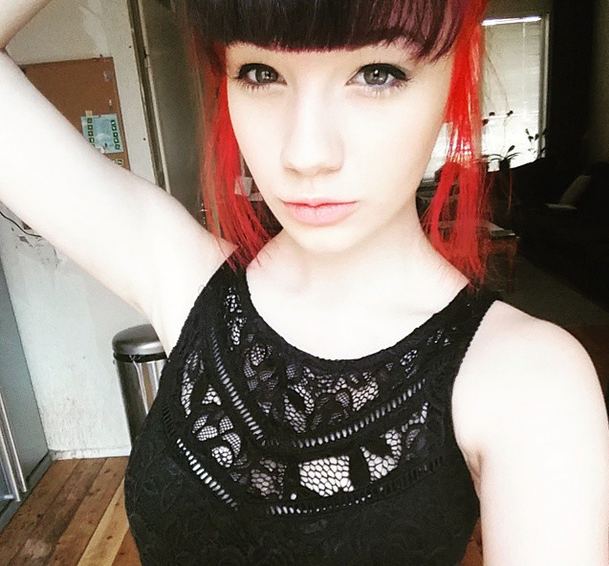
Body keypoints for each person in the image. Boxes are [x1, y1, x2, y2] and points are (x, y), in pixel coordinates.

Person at [1, 1, 608, 565]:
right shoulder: (181, 277)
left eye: (376, 73)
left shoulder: (526, 378)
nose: (306, 152)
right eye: (261, 73)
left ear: (451, 79)